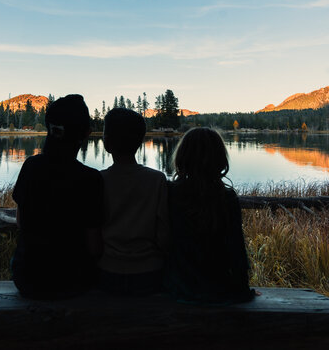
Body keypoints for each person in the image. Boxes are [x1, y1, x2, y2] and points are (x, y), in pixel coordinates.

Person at [11, 94, 103, 299]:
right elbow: (94, 246)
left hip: (28, 278)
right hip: (74, 281)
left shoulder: (31, 167)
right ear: (87, 133)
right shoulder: (90, 179)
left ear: (49, 129)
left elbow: (20, 222)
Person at [166, 127, 255, 304]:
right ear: (219, 159)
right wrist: (242, 289)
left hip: (178, 288)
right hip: (218, 288)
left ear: (183, 156)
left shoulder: (169, 193)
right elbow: (236, 250)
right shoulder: (227, 198)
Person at [98, 108, 169, 296]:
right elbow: (163, 234)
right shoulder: (157, 180)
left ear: (106, 143)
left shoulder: (98, 180)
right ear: (140, 140)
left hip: (107, 272)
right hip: (150, 273)